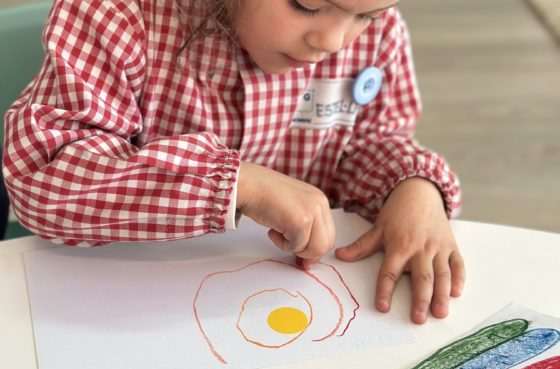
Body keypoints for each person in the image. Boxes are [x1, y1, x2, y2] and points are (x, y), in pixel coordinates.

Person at [2, 0, 465, 324]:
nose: (333, 41)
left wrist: (411, 187)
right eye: (306, 5)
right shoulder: (119, 13)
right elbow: (43, 177)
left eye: (366, 15)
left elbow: (372, 140)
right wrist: (238, 184)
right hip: (113, 311)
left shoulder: (379, 36)